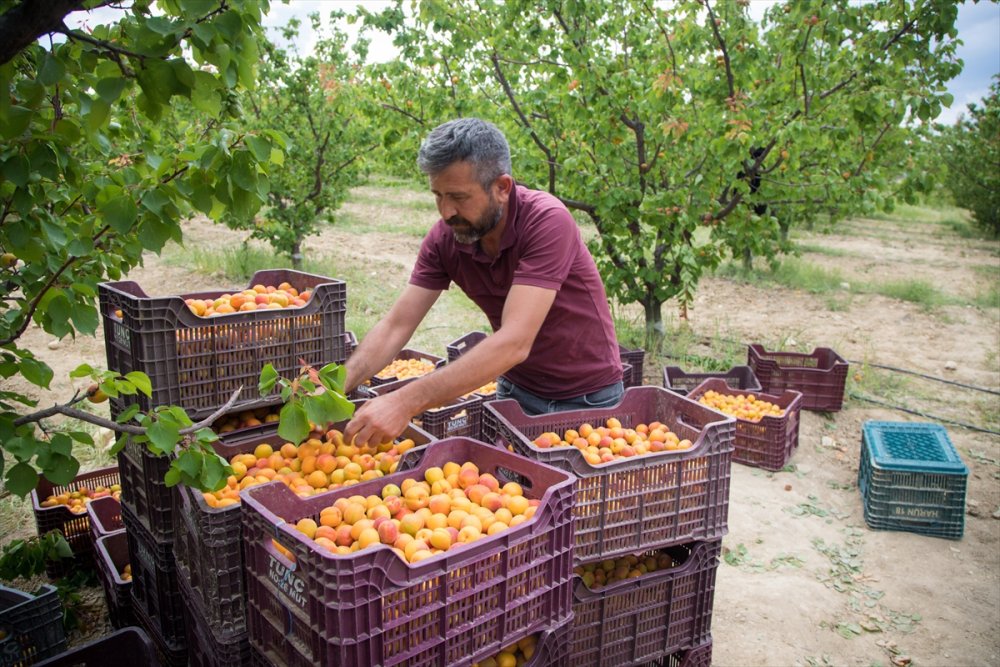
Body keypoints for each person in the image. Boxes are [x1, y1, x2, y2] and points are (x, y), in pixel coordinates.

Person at [343, 118, 623, 445]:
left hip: (586, 399)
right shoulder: (445, 239)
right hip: (515, 391)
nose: (446, 212)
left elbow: (514, 342)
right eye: (438, 195)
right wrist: (334, 387)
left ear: (502, 187)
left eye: (459, 197)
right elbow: (395, 326)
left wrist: (405, 401)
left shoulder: (547, 221)